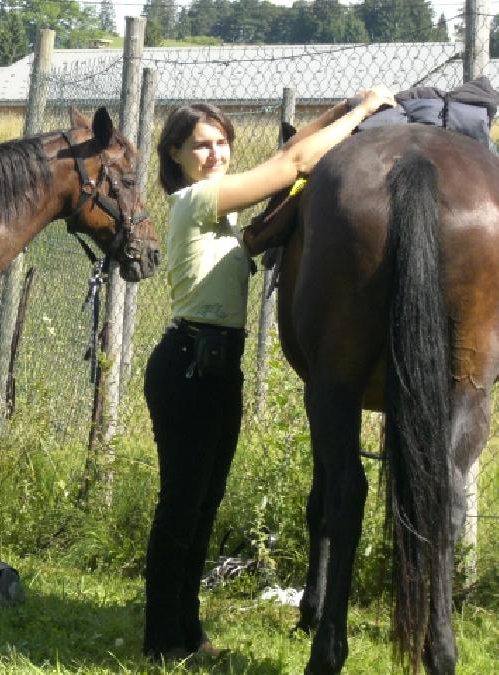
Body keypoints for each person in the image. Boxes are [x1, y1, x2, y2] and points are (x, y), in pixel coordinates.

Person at [142, 87, 396, 661]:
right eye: (200, 146)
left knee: (204, 502)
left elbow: (291, 159)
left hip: (216, 365)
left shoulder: (223, 214)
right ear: (176, 156)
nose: (215, 154)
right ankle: (160, 640)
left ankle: (189, 632)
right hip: (186, 364)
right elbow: (292, 164)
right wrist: (361, 115)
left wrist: (341, 110)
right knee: (181, 504)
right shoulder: (198, 200)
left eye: (222, 144)